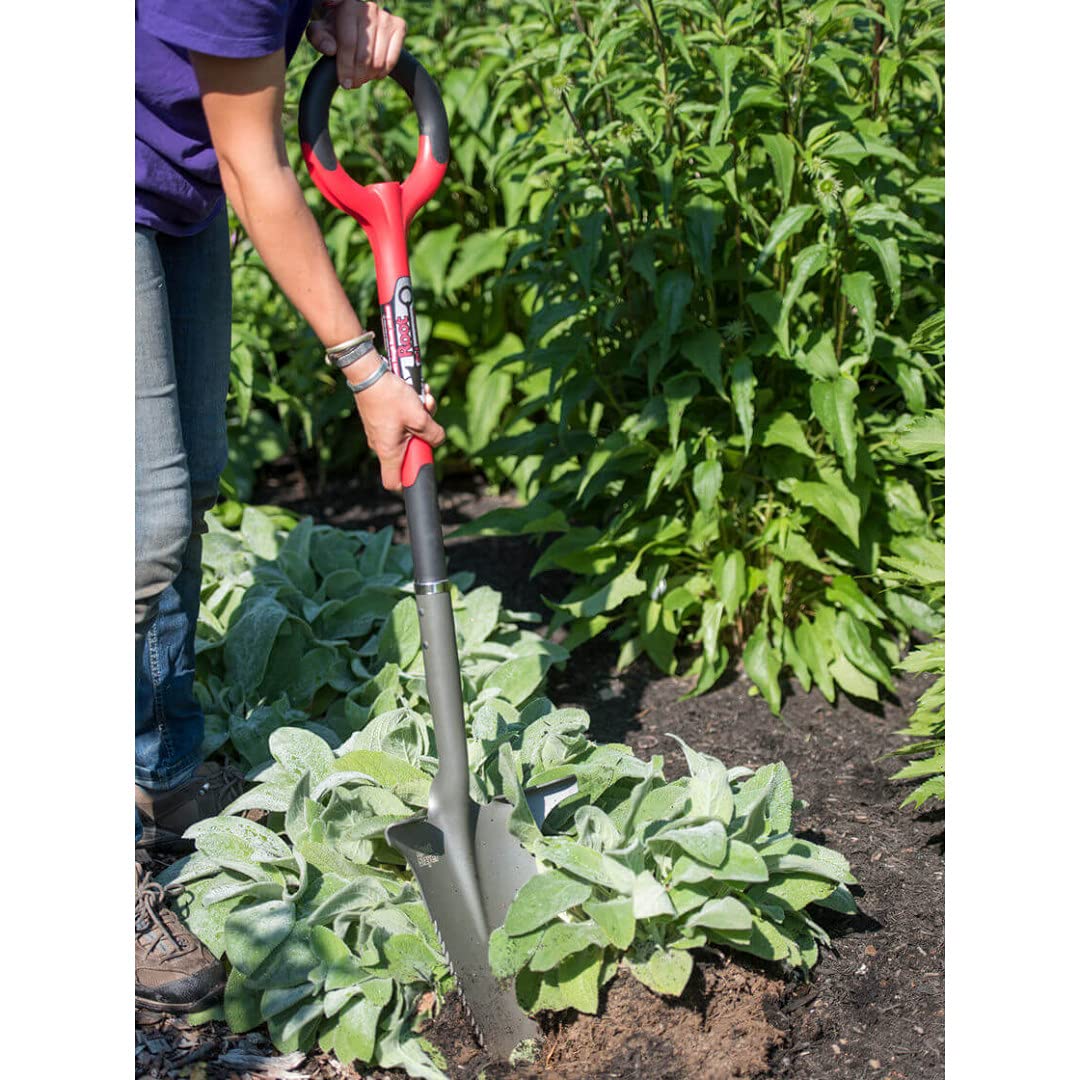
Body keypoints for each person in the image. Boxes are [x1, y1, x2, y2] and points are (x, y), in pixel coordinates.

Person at [135, 0, 445, 1013]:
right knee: (136, 530)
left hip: (168, 186)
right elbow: (257, 170)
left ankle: (164, 773)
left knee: (189, 484)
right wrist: (366, 374)